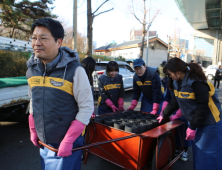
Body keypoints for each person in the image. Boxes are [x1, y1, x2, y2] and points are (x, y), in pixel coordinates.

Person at [26, 18, 94, 170]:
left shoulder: (75, 70)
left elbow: (87, 107)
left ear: (59, 42)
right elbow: (33, 100)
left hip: (67, 143)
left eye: (43, 38)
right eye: (34, 38)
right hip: (44, 143)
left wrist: (69, 140)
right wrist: (33, 130)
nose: (37, 42)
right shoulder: (31, 70)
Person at [157, 57, 222, 170]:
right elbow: (175, 101)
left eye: (170, 73)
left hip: (210, 124)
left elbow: (202, 107)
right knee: (199, 154)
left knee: (209, 155)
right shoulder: (177, 82)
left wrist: (192, 127)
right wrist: (164, 114)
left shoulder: (196, 82)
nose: (170, 76)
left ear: (178, 71)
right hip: (197, 122)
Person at [159, 77, 191, 161]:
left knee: (184, 128)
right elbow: (168, 98)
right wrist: (164, 111)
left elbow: (184, 103)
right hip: (174, 107)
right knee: (175, 128)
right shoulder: (169, 82)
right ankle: (176, 147)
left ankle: (184, 150)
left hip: (185, 109)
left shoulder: (184, 84)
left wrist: (176, 115)